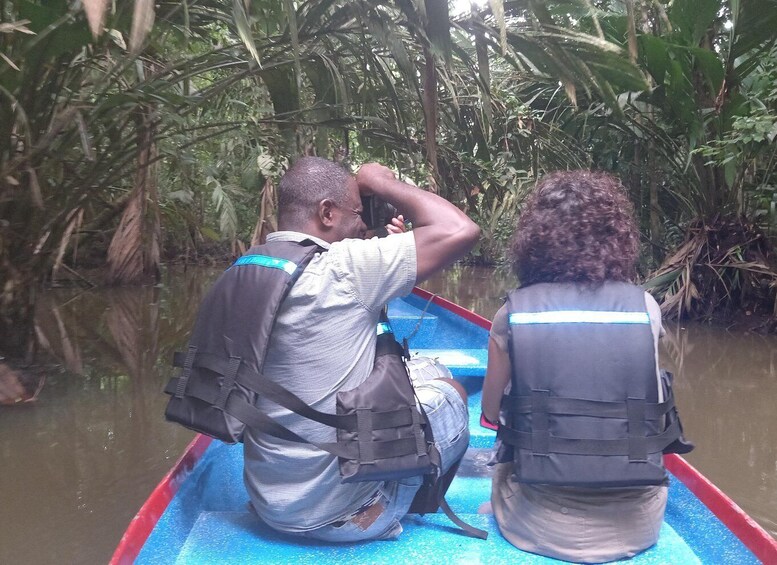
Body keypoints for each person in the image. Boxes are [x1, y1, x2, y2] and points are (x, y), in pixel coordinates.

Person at [242, 157, 480, 541]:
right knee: (450, 389)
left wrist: (385, 246)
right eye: (357, 211)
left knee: (427, 368)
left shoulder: (252, 267)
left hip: (270, 505)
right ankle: (395, 502)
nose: (363, 224)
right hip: (347, 516)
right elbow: (459, 229)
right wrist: (380, 181)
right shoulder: (346, 268)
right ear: (327, 212)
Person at [481, 170, 691, 562]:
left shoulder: (512, 315)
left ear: (533, 242)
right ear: (617, 238)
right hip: (639, 523)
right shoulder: (645, 307)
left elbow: (491, 414)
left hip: (538, 526)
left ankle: (500, 505)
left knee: (510, 430)